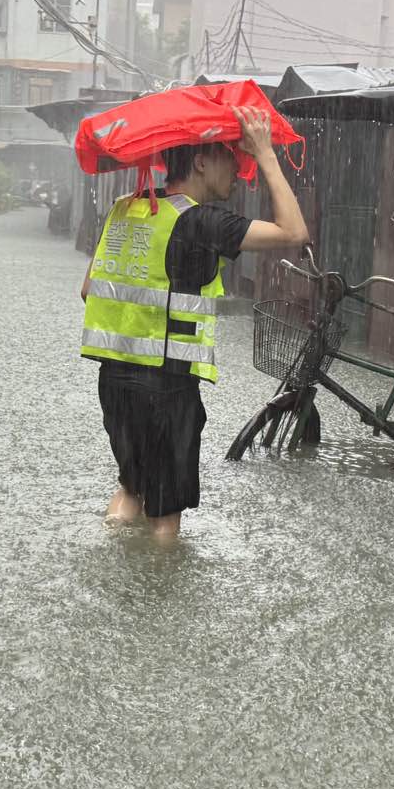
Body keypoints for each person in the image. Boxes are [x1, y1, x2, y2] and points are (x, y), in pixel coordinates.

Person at [79, 103, 309, 537]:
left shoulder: (125, 209)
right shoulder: (200, 221)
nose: (239, 169)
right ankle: (159, 594)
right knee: (165, 514)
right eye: (230, 156)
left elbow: (89, 289)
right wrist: (265, 153)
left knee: (131, 487)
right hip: (166, 386)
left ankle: (109, 558)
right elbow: (294, 232)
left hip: (113, 381)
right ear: (201, 161)